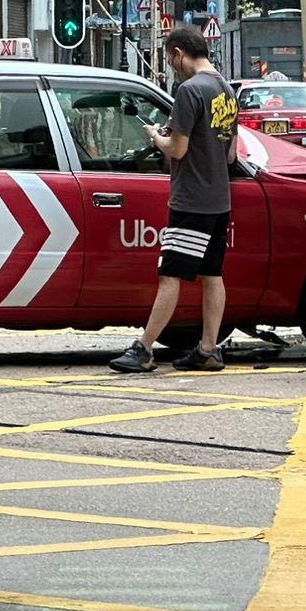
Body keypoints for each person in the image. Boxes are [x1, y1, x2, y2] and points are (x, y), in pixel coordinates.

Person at [110, 26, 240, 374]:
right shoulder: (226, 90)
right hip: (218, 199)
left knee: (170, 275)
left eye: (170, 59)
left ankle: (144, 349)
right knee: (213, 274)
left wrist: (156, 137)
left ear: (179, 52)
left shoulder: (190, 90)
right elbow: (230, 154)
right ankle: (209, 349)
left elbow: (177, 149)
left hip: (191, 200)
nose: (171, 66)